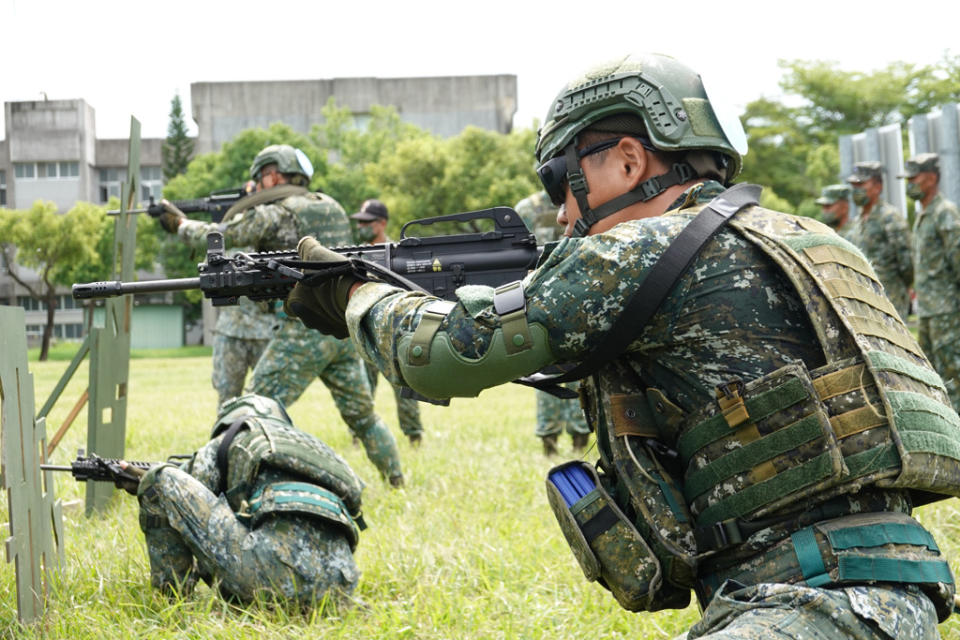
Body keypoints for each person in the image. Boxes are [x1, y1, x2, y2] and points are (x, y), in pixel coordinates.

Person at [284, 54, 960, 638]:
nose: (563, 214)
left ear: (631, 160)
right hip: (897, 593)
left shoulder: (637, 248)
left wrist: (352, 295)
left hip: (809, 603)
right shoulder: (817, 239)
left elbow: (439, 356)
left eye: (560, 181)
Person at [159, 144, 403, 486]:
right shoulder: (329, 205)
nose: (256, 187)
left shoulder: (276, 212)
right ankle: (396, 480)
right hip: (343, 327)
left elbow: (219, 236)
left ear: (273, 175)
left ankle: (217, 484)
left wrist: (180, 224)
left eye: (259, 179)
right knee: (363, 415)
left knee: (249, 410)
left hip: (306, 331)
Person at [128, 393, 364, 606]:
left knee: (159, 480)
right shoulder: (317, 451)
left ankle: (173, 600)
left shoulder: (231, 439)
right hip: (342, 587)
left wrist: (146, 480)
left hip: (270, 580)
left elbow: (191, 496)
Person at [514, 190, 590, 455]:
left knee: (576, 369)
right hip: (551, 295)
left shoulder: (582, 199)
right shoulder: (526, 209)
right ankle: (551, 440)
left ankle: (576, 436)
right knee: (549, 368)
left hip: (572, 295)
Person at [350, 199, 424, 446]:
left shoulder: (398, 252)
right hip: (367, 327)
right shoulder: (356, 255)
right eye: (359, 222)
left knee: (405, 387)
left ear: (381, 223)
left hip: (395, 330)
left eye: (366, 222)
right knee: (363, 387)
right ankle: (359, 436)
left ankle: (414, 435)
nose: (361, 226)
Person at [901, 152, 960, 412]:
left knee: (954, 376)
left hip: (946, 311)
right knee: (933, 378)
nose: (909, 183)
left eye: (915, 178)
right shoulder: (925, 214)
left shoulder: (944, 212)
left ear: (932, 178)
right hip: (928, 311)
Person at [845, 161, 914, 319]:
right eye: (854, 186)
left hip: (890, 299)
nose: (856, 190)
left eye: (861, 184)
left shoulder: (890, 217)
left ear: (877, 187)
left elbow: (907, 263)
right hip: (864, 301)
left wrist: (900, 287)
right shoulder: (857, 222)